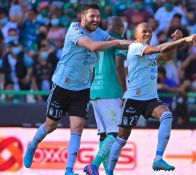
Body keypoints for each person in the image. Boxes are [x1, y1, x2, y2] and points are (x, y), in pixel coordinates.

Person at [23, 4, 129, 175]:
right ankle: (33, 144)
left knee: (77, 128)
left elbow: (119, 45)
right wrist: (118, 41)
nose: (95, 19)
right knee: (51, 125)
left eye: (97, 16)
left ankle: (68, 170)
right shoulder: (74, 30)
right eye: (92, 16)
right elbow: (93, 46)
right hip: (62, 86)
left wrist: (141, 45)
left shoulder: (101, 33)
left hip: (82, 89)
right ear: (82, 17)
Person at [106, 23, 196, 175]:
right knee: (122, 138)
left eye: (150, 31)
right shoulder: (135, 47)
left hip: (150, 99)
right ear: (136, 35)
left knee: (167, 115)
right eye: (144, 31)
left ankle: (158, 158)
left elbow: (166, 55)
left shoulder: (150, 50)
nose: (148, 34)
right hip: (133, 99)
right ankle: (109, 171)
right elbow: (160, 49)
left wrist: (175, 43)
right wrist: (185, 40)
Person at [83, 16, 127, 175]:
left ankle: (108, 172)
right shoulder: (119, 40)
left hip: (94, 91)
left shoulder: (97, 39)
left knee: (104, 136)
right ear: (120, 27)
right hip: (111, 90)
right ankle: (94, 165)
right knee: (116, 133)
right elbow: (119, 65)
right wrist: (124, 90)